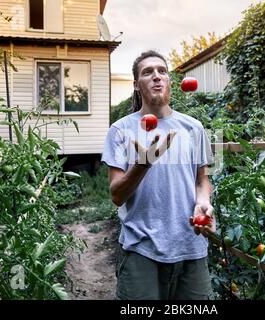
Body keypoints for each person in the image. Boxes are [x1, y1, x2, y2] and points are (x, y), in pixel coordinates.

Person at [101, 50, 216, 300]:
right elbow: (116, 195)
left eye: (162, 71)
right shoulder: (120, 130)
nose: (156, 76)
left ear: (169, 81)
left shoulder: (193, 128)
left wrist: (203, 202)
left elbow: (202, 180)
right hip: (141, 250)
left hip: (191, 247)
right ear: (136, 85)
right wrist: (142, 165)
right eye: (148, 72)